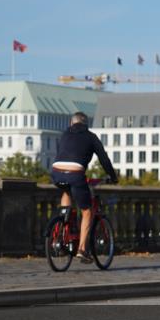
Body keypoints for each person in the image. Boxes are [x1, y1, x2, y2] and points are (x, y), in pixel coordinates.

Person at [50, 112, 118, 262]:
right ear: (86, 124)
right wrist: (113, 176)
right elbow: (104, 159)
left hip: (56, 171)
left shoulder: (64, 134)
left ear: (71, 123)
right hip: (75, 173)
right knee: (87, 211)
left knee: (66, 191)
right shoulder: (91, 137)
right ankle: (81, 249)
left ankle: (63, 222)